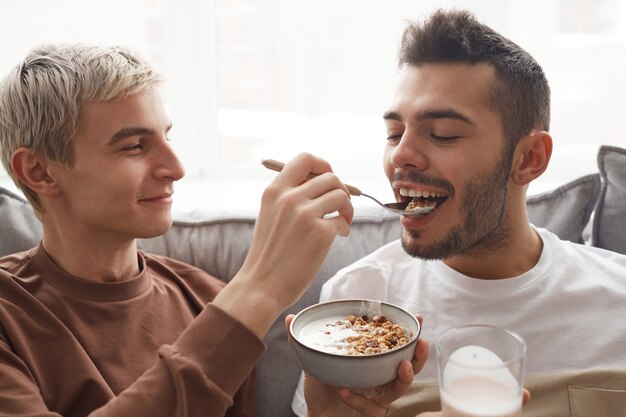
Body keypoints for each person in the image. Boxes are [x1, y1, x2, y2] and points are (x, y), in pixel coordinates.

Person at [0, 44, 429, 417]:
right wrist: (258, 289)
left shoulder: (205, 298)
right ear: (38, 171)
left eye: (167, 137)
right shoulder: (11, 317)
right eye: (134, 146)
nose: (176, 168)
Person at [292, 8, 626, 417]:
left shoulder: (618, 306)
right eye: (394, 133)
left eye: (443, 134)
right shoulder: (358, 301)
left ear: (529, 158)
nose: (401, 155)